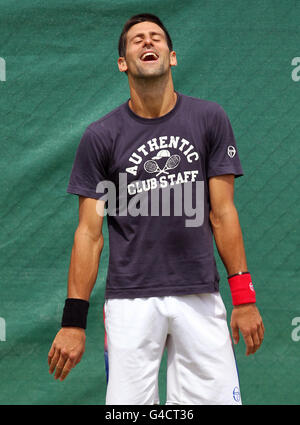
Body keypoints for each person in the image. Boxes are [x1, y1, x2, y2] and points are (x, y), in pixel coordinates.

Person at [48, 13, 264, 405]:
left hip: (199, 294)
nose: (148, 43)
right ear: (122, 62)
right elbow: (89, 235)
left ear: (173, 55)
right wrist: (73, 322)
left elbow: (223, 214)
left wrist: (244, 298)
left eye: (156, 38)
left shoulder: (209, 118)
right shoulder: (101, 136)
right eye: (137, 40)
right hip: (130, 302)